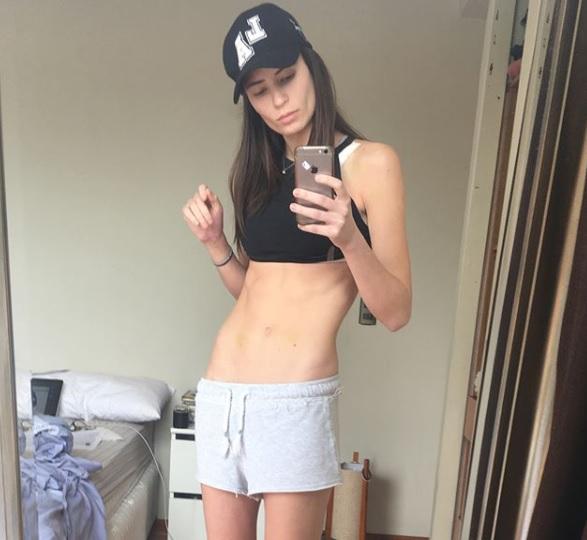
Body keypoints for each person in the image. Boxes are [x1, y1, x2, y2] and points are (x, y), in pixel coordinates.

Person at [181, 3, 412, 539]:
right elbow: (253, 295)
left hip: (293, 401)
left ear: (312, 64)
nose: (278, 100)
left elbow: (396, 311)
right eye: (259, 90)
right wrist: (216, 243)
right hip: (222, 396)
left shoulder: (372, 163)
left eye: (286, 77)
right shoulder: (257, 172)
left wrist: (349, 237)